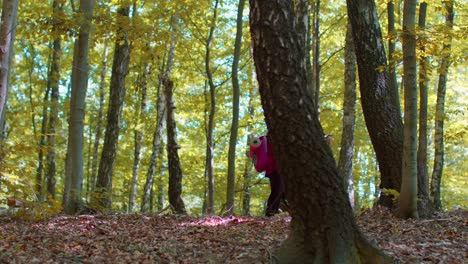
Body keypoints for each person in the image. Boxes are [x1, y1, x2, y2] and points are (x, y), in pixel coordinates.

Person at [249, 133, 286, 217]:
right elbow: (254, 145)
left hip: (276, 169)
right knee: (277, 190)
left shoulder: (269, 139)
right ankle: (270, 213)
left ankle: (274, 212)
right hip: (274, 168)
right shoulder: (265, 139)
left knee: (281, 191)